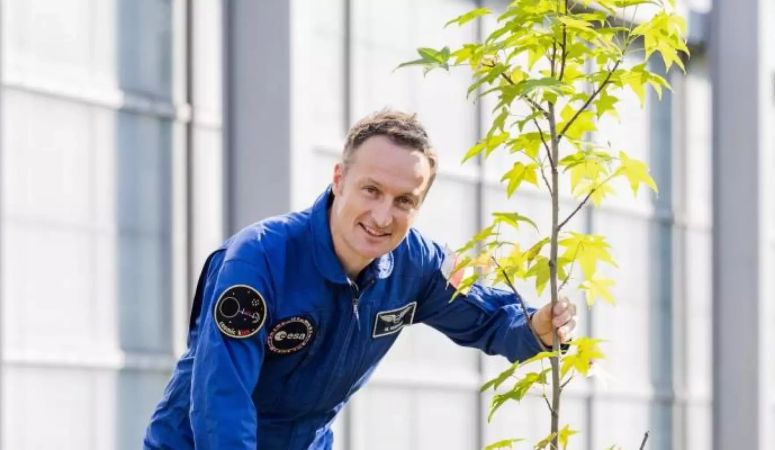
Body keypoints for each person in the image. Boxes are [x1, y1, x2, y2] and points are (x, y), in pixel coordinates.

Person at [143, 110, 577, 449]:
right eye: (372, 190)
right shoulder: (258, 261)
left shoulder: (418, 265)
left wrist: (536, 329)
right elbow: (222, 401)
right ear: (339, 179)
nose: (383, 216)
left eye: (404, 200)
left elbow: (492, 319)